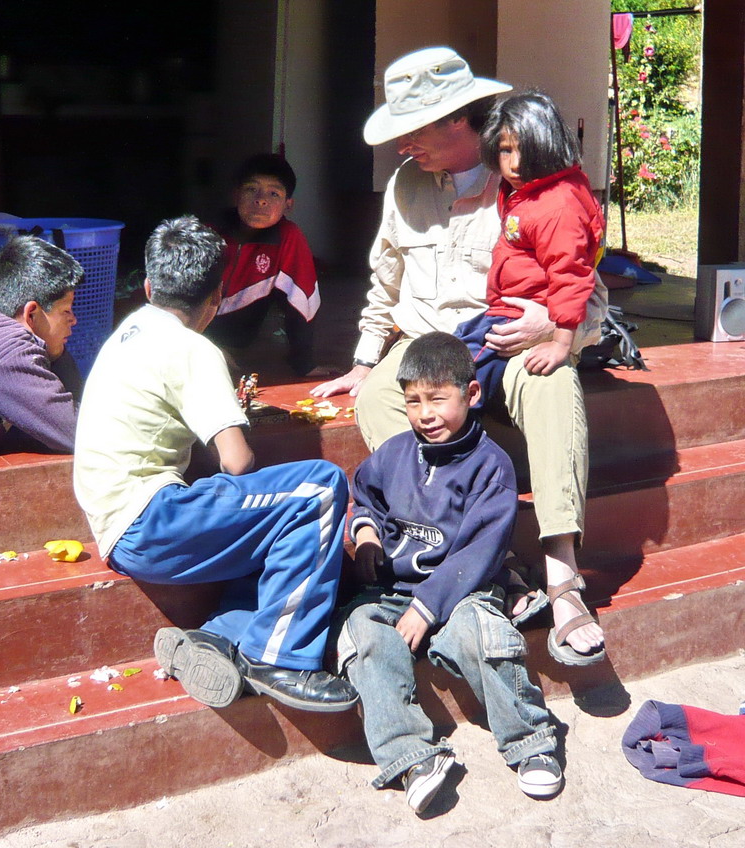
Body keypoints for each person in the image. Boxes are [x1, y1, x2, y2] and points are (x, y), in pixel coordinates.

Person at [312, 46, 607, 666]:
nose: (400, 146)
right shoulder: (404, 185)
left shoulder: (530, 181)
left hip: (511, 339)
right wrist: (367, 359)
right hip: (429, 348)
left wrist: (554, 327)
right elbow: (384, 277)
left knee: (555, 384)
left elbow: (590, 294)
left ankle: (561, 573)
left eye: (413, 129)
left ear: (458, 120)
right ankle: (487, 559)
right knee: (379, 397)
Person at [73, 215, 357, 713]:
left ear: (146, 285)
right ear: (218, 298)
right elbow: (238, 462)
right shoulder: (191, 348)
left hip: (116, 526)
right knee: (321, 488)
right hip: (151, 521)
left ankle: (215, 639)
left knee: (273, 527)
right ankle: (283, 659)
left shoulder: (129, 330)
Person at [337, 332, 562, 814]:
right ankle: (412, 756)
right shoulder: (396, 452)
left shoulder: (491, 468)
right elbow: (366, 495)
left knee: (485, 636)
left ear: (472, 394)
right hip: (396, 592)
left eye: (438, 399)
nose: (425, 414)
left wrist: (427, 605)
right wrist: (369, 536)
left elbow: (479, 550)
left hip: (465, 592)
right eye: (413, 401)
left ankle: (530, 742)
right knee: (361, 633)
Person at [454, 90, 605, 414]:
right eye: (505, 151)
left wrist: (561, 343)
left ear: (550, 147)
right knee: (455, 346)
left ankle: (459, 450)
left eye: (527, 151)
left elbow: (570, 273)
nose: (515, 164)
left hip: (523, 313)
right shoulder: (528, 191)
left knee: (456, 381)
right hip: (505, 308)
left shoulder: (558, 204)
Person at [0, 235, 83, 462]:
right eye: (66, 311)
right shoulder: (10, 353)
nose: (74, 320)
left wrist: (56, 354)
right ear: (31, 314)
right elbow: (82, 435)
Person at [205, 153, 330, 378]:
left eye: (274, 193)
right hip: (198, 331)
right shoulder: (208, 231)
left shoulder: (288, 237)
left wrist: (305, 364)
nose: (261, 200)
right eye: (251, 189)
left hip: (239, 338)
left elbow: (302, 300)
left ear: (288, 205)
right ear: (236, 195)